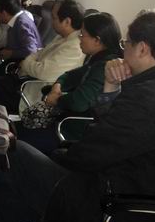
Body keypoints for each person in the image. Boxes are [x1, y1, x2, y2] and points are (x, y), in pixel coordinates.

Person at [0, 9, 155, 222]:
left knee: (13, 154)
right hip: (140, 199)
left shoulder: (151, 98)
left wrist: (56, 156)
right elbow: (111, 140)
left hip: (119, 209)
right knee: (10, 201)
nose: (123, 50)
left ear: (142, 49)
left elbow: (87, 155)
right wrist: (111, 88)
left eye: (127, 43)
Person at [18, 12, 122, 154]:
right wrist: (57, 87)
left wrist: (56, 99)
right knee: (14, 131)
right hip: (63, 121)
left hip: (71, 130)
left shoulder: (104, 66)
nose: (79, 39)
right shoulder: (96, 60)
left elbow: (79, 102)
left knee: (16, 141)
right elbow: (68, 75)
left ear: (97, 40)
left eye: (82, 35)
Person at [19, 0, 85, 92]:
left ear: (67, 22)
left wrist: (25, 63)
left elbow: (43, 72)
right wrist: (33, 62)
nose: (51, 21)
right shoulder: (61, 37)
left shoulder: (75, 47)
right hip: (27, 82)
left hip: (37, 92)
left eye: (54, 18)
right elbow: (39, 52)